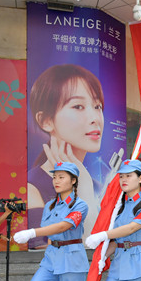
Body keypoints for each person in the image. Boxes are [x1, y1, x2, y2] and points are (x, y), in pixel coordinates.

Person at [28, 64, 108, 240]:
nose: (95, 119)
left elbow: (100, 244)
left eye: (97, 106)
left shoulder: (94, 185)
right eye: (78, 106)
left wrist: (85, 186)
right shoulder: (32, 188)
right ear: (45, 120)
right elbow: (41, 247)